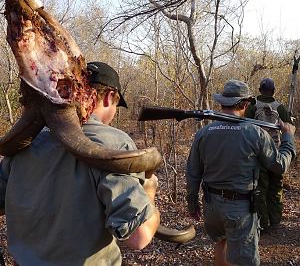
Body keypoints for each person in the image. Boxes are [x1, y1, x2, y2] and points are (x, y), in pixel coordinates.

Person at [0, 61, 160, 266]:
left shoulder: (25, 141)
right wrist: (149, 191)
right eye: (116, 105)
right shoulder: (113, 143)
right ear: (110, 96)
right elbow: (139, 237)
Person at [185, 79, 296, 266]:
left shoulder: (204, 133)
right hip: (240, 209)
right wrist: (288, 138)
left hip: (211, 206)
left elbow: (193, 171)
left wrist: (192, 201)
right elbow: (279, 166)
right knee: (244, 261)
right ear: (245, 104)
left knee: (221, 241)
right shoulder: (256, 134)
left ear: (221, 103)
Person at [245, 78, 293, 232]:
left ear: (260, 90)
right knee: (276, 188)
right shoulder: (280, 108)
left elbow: (246, 128)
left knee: (261, 188)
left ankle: (263, 223)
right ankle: (275, 221)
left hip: (259, 153)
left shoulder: (252, 106)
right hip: (278, 153)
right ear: (273, 91)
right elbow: (290, 128)